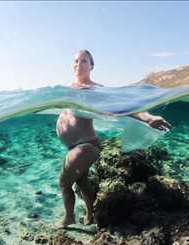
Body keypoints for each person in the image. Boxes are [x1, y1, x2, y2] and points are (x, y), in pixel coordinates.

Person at [56, 50, 172, 227]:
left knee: (64, 183)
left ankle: (68, 218)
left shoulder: (94, 89)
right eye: (76, 61)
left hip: (85, 146)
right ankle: (90, 216)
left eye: (84, 61)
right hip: (77, 146)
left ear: (92, 66)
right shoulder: (70, 88)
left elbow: (122, 107)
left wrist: (148, 118)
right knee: (81, 181)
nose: (78, 64)